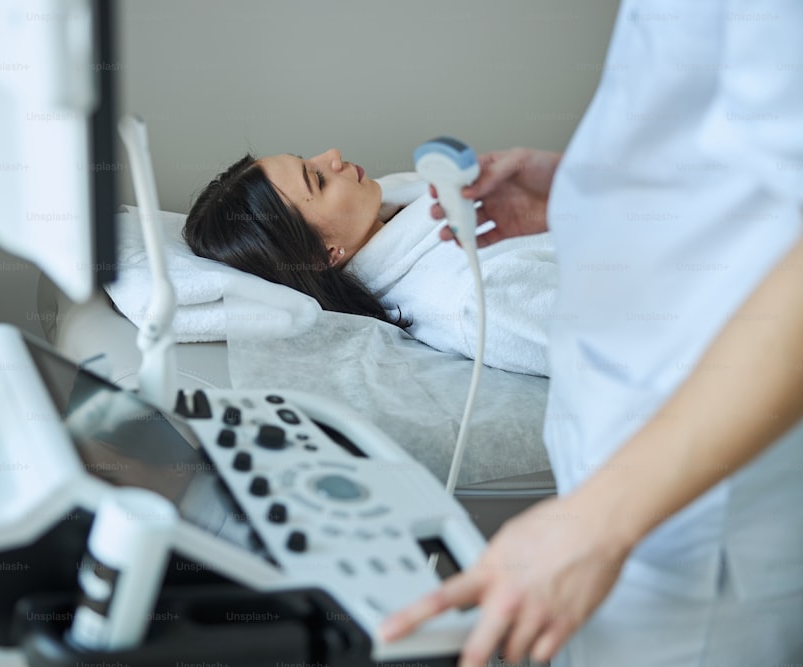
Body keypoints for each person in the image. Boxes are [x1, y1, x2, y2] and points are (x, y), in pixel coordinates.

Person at [378, 3, 803, 666]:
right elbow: (731, 163)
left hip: (701, 515)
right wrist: (583, 192)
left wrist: (598, 521)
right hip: (625, 485)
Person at [184, 151, 558, 376]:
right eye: (318, 179)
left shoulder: (388, 200)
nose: (332, 155)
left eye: (307, 159)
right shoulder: (474, 299)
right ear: (322, 255)